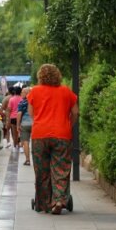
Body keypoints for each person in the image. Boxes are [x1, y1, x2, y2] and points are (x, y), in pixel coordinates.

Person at [27, 64, 79, 214]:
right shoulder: (66, 92)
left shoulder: (34, 91)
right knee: (61, 170)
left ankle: (43, 203)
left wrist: (41, 122)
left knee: (41, 171)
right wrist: (69, 125)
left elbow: (32, 113)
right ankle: (59, 201)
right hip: (62, 134)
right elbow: (75, 113)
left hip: (39, 135)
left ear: (40, 76)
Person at [17, 85, 33, 166]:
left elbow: (19, 113)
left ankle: (27, 160)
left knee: (25, 142)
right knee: (35, 142)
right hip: (35, 124)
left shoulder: (22, 102)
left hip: (24, 124)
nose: (21, 93)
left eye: (22, 92)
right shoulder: (34, 101)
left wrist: (17, 125)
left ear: (27, 93)